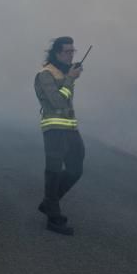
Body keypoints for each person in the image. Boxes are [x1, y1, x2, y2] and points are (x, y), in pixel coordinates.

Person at [34, 36, 84, 235]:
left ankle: (48, 203)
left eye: (73, 51)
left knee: (75, 169)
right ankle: (53, 218)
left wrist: (69, 77)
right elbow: (57, 102)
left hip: (70, 128)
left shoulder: (63, 73)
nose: (70, 55)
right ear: (56, 53)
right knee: (53, 171)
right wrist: (70, 79)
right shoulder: (45, 74)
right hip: (54, 129)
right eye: (66, 51)